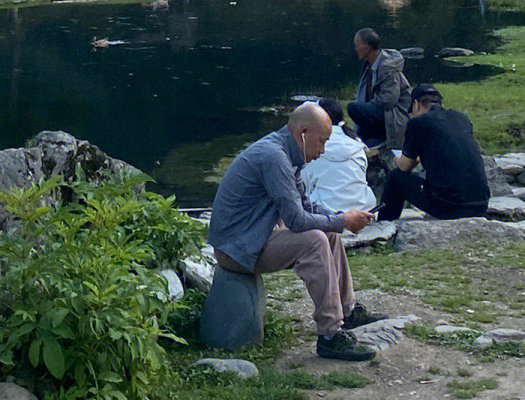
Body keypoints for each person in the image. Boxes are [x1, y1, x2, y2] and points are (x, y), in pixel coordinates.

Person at [208, 102, 381, 362]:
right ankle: (330, 335)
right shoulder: (274, 157)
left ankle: (347, 311)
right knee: (314, 240)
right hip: (236, 249)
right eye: (321, 142)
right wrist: (343, 220)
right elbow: (297, 221)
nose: (322, 151)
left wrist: (338, 219)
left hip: (253, 237)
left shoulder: (288, 154)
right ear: (302, 133)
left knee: (329, 233)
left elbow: (306, 205)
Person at [377, 85, 490, 221]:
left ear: (416, 104)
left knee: (396, 178)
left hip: (451, 207)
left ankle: (384, 225)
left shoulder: (418, 123)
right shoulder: (461, 119)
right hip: (481, 204)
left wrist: (396, 160)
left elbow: (404, 166)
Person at [301, 97, 378, 211]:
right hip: (363, 207)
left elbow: (304, 185)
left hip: (327, 211)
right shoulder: (356, 144)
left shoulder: (314, 146)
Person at [347, 28, 411, 150]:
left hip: (394, 115)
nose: (355, 49)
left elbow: (389, 99)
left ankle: (379, 136)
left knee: (353, 108)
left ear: (367, 47)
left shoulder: (387, 68)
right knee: (360, 109)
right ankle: (371, 136)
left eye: (357, 45)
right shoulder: (370, 65)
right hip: (383, 112)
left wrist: (368, 107)